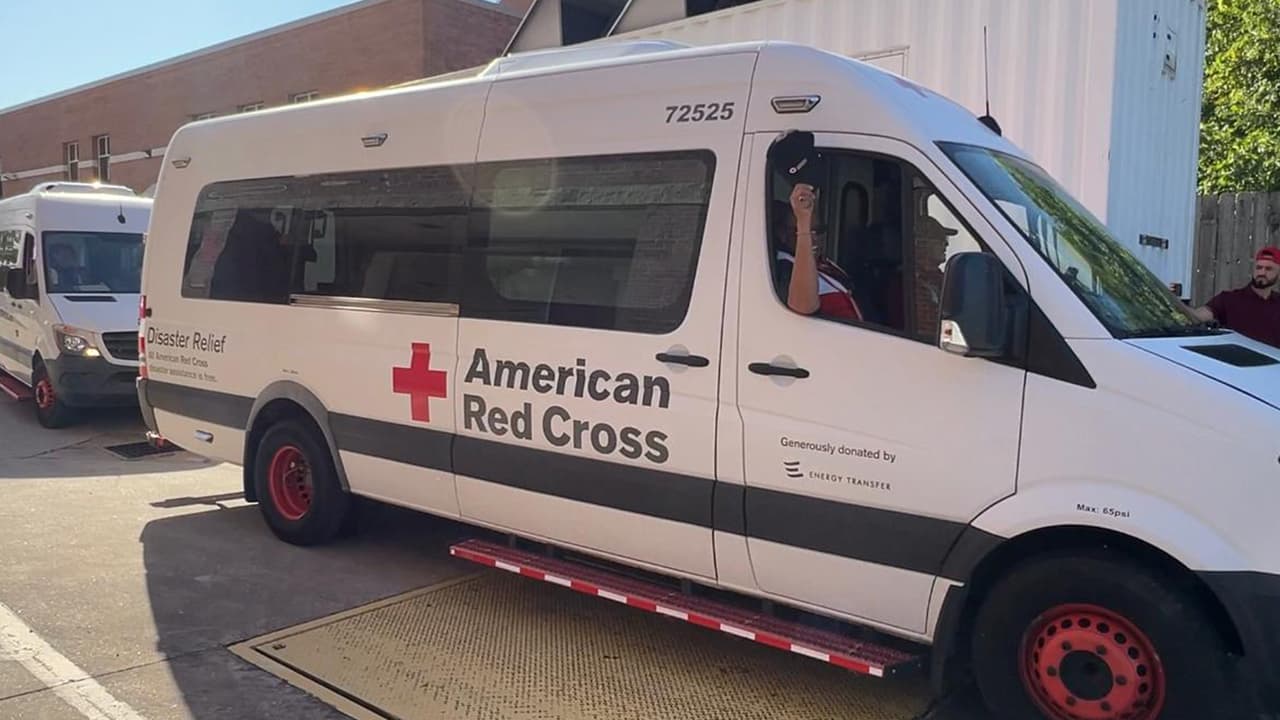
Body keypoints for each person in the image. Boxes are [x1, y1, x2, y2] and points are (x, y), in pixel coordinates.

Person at [773, 183, 862, 321]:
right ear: (782, 234)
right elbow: (803, 307)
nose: (814, 239)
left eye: (818, 231)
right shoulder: (784, 266)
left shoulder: (824, 263)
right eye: (809, 232)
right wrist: (803, 223)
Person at [1192, 246, 1280, 347]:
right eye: (1259, 267)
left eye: (1268, 269)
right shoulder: (1229, 299)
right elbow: (1196, 316)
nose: (1262, 273)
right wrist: (1173, 301)